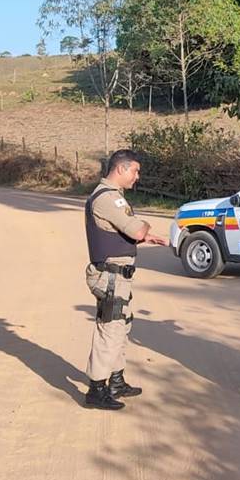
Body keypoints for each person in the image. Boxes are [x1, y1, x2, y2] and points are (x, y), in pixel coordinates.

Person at [83, 149, 168, 410]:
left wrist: (145, 236)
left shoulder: (113, 196)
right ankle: (96, 389)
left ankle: (116, 381)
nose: (137, 177)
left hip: (118, 276)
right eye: (135, 171)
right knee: (110, 329)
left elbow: (125, 232)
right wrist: (144, 229)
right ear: (121, 168)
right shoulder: (108, 198)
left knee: (121, 325)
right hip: (111, 275)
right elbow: (136, 229)